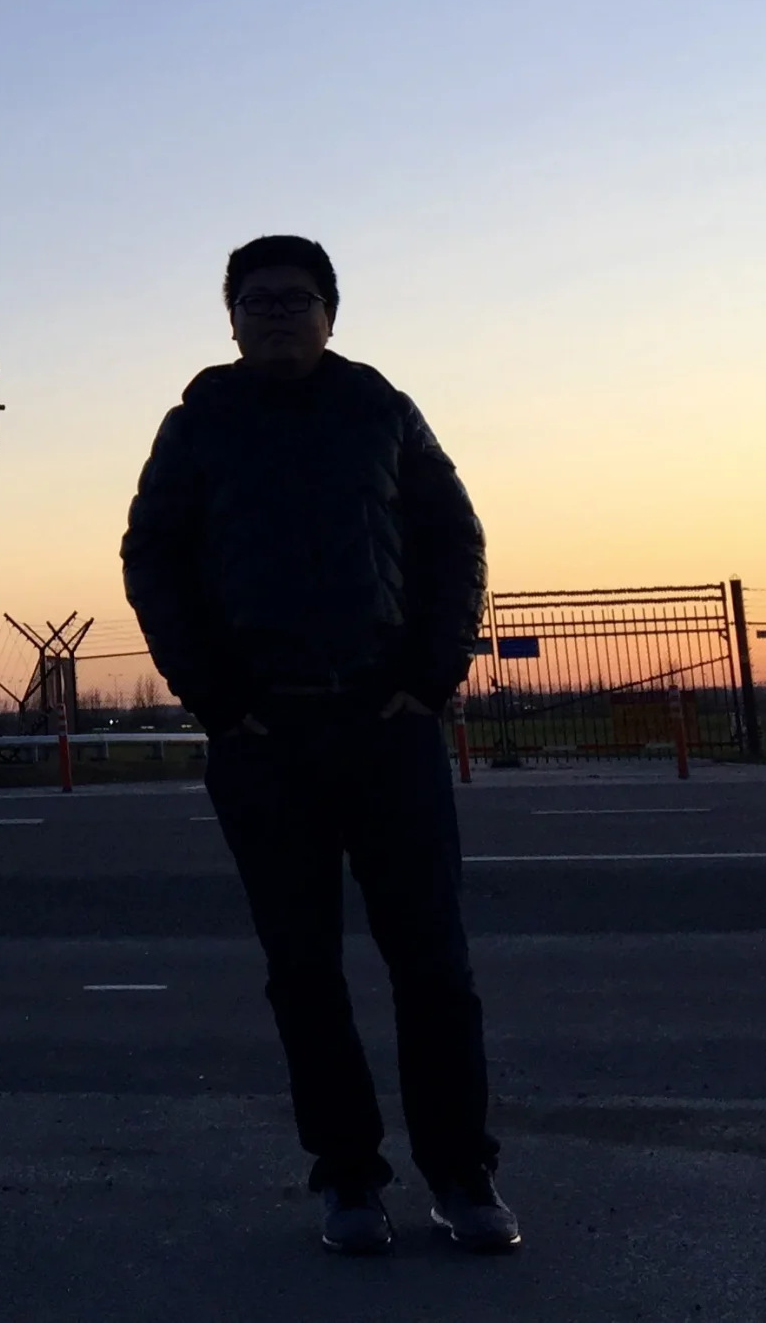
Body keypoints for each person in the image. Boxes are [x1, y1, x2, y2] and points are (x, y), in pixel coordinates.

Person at [120, 233, 518, 1257]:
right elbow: (151, 553)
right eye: (256, 301)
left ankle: (462, 1172)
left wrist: (429, 678)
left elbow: (453, 537)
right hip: (264, 737)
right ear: (232, 318)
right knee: (302, 969)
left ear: (330, 310)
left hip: (387, 728)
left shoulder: (379, 409)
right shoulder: (200, 421)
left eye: (296, 298)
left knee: (432, 963)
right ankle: (347, 1178)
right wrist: (211, 694)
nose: (277, 314)